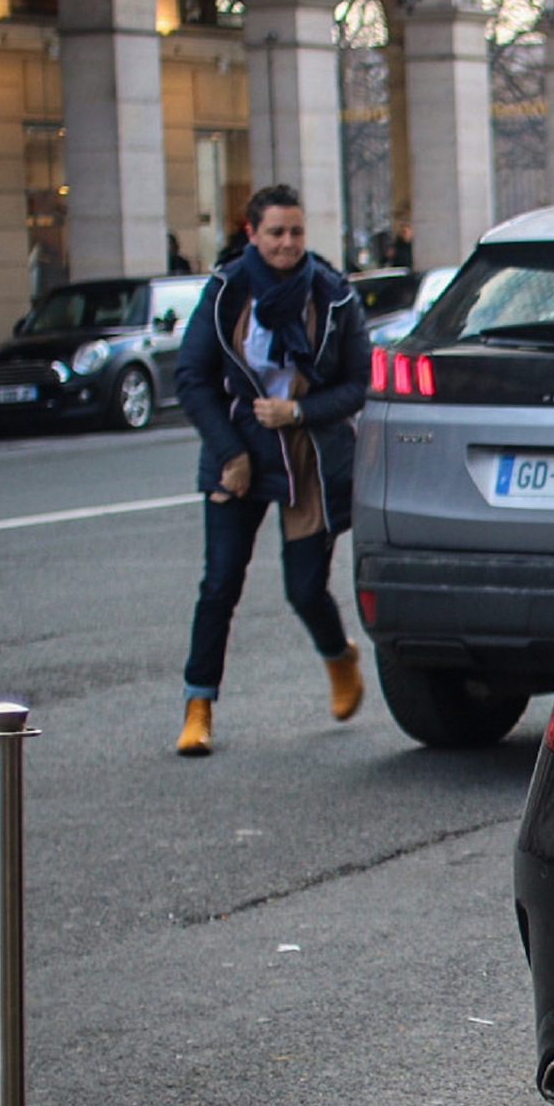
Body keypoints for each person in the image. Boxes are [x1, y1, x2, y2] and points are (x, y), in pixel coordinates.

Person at [173, 184, 372, 757]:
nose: (287, 244)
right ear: (251, 233)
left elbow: (359, 383)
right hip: (237, 452)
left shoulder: (333, 296)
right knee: (219, 584)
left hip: (308, 455)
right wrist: (229, 453)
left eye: (296, 232)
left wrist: (300, 410)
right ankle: (198, 704)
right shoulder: (225, 292)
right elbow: (192, 376)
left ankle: (339, 657)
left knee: (306, 589)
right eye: (276, 232)